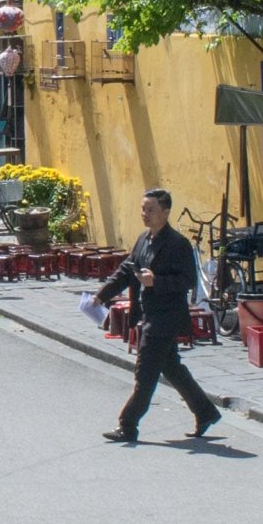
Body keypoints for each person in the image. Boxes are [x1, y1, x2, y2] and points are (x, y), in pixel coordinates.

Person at [94, 188, 221, 443]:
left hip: (167, 317)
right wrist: (101, 295)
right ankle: (206, 411)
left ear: (165, 212)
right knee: (172, 368)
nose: (145, 214)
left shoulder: (177, 244)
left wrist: (157, 281)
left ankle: (127, 425)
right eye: (143, 209)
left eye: (150, 210)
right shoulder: (143, 240)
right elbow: (125, 271)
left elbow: (187, 280)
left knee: (145, 373)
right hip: (149, 313)